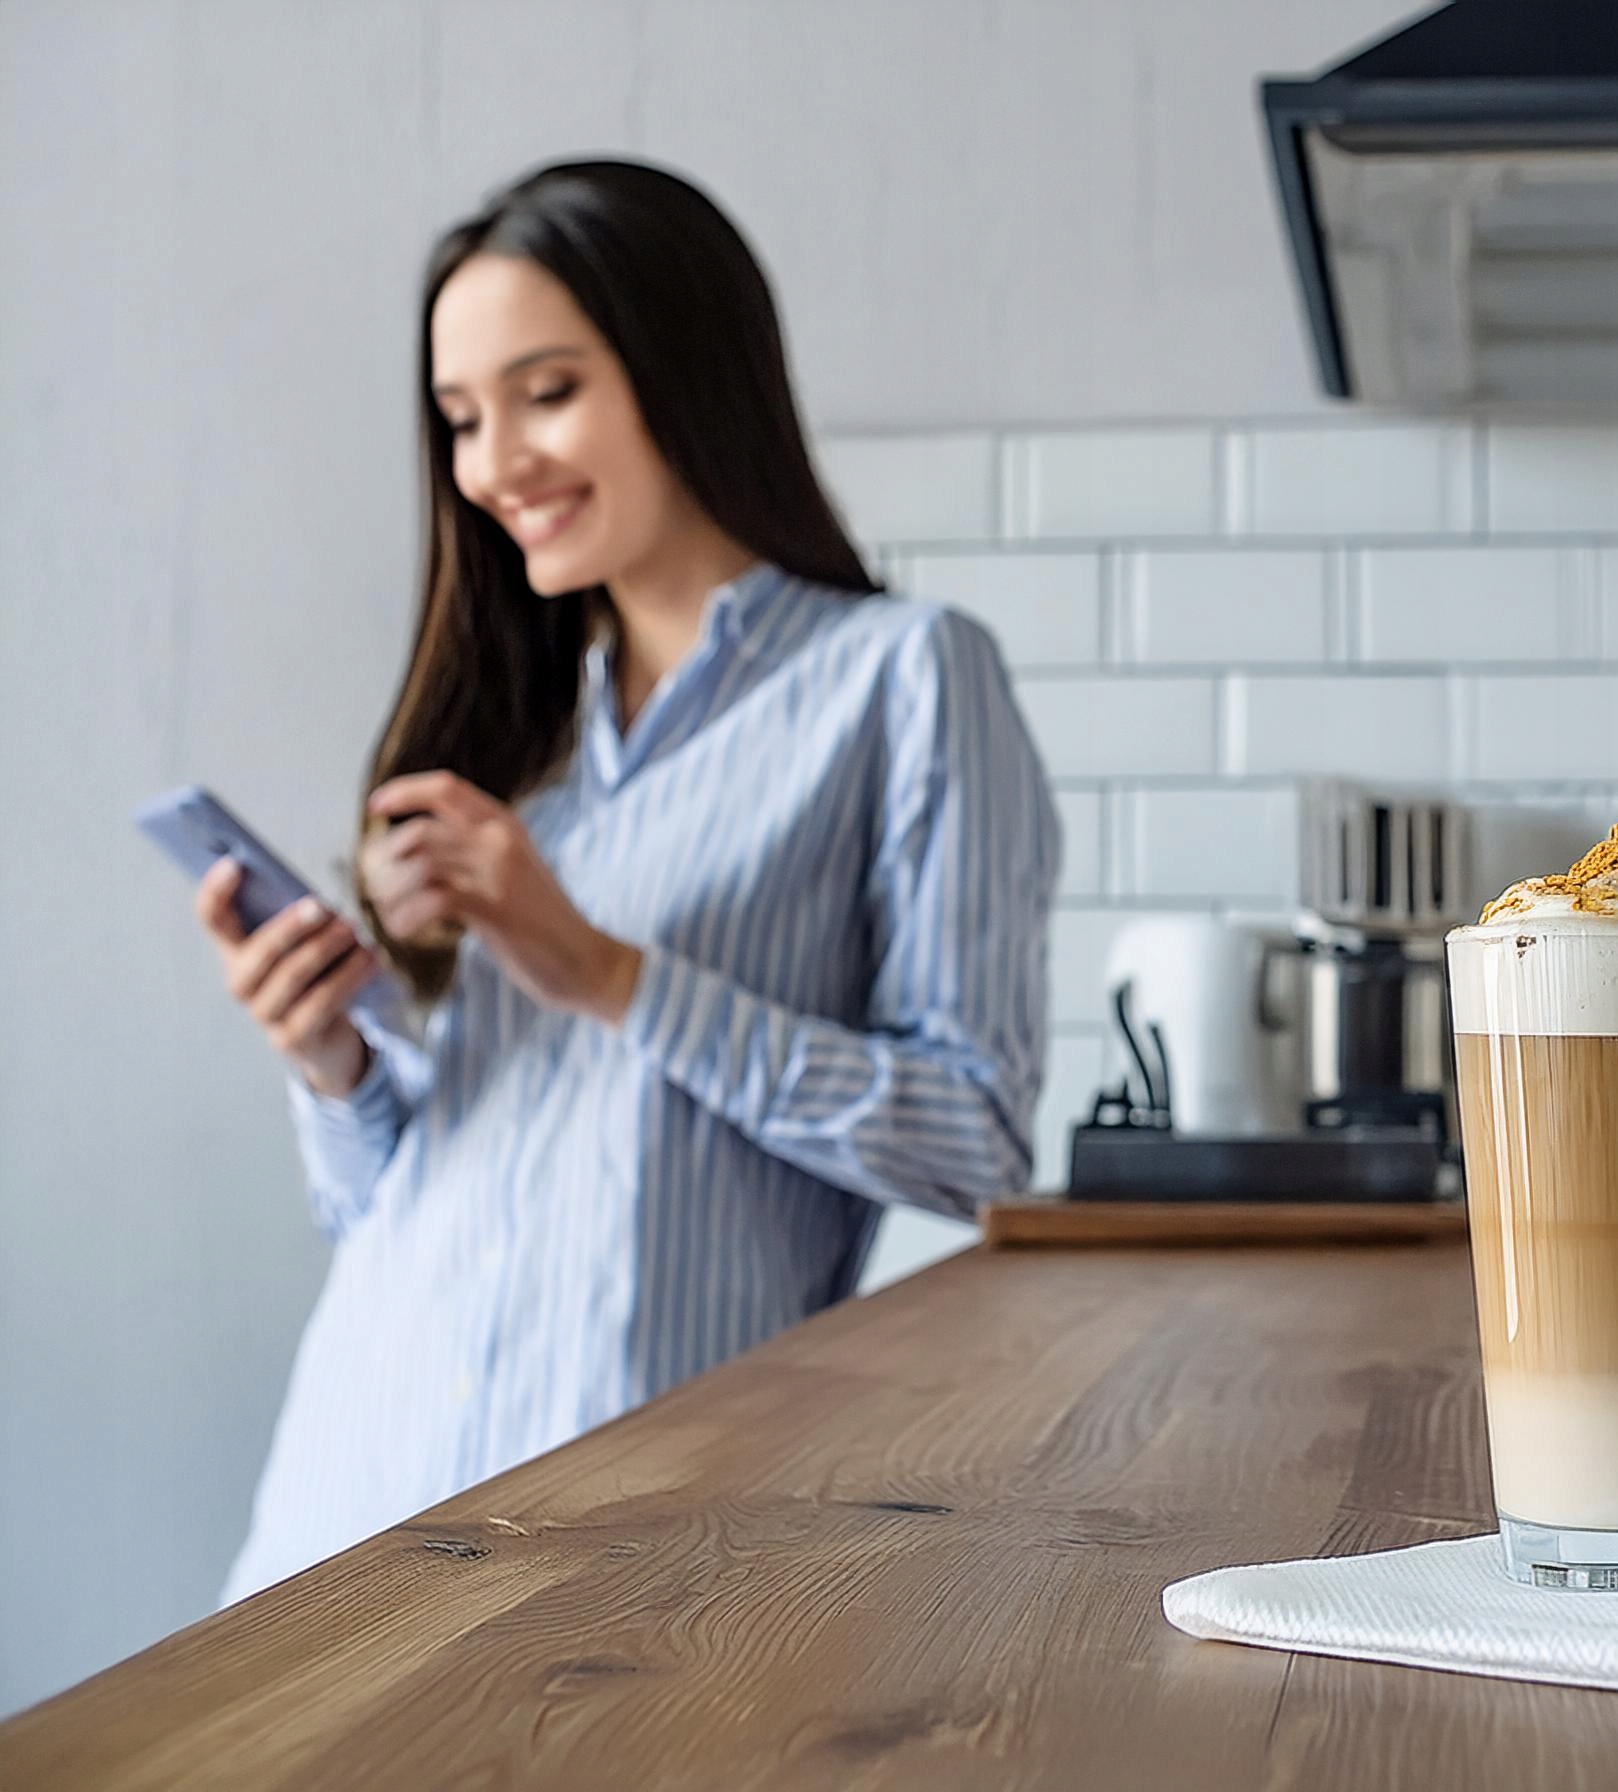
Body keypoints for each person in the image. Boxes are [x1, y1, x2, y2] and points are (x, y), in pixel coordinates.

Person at [194, 159, 1058, 1604]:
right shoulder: (511, 748)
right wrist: (333, 1065)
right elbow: (403, 1208)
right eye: (462, 419)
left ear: (684, 366)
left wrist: (606, 973)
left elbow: (970, 1142)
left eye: (545, 392)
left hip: (630, 1554)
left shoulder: (904, 679)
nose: (492, 463)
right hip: (348, 1498)